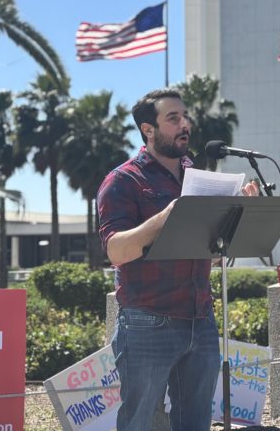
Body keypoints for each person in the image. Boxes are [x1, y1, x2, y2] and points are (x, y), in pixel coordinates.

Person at [98, 87, 258, 431]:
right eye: (173, 118)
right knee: (138, 423)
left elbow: (208, 256)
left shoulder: (199, 179)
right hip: (147, 321)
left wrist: (239, 216)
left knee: (196, 424)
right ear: (148, 129)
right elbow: (116, 250)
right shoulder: (123, 180)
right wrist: (167, 215)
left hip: (201, 320)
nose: (184, 124)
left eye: (185, 117)